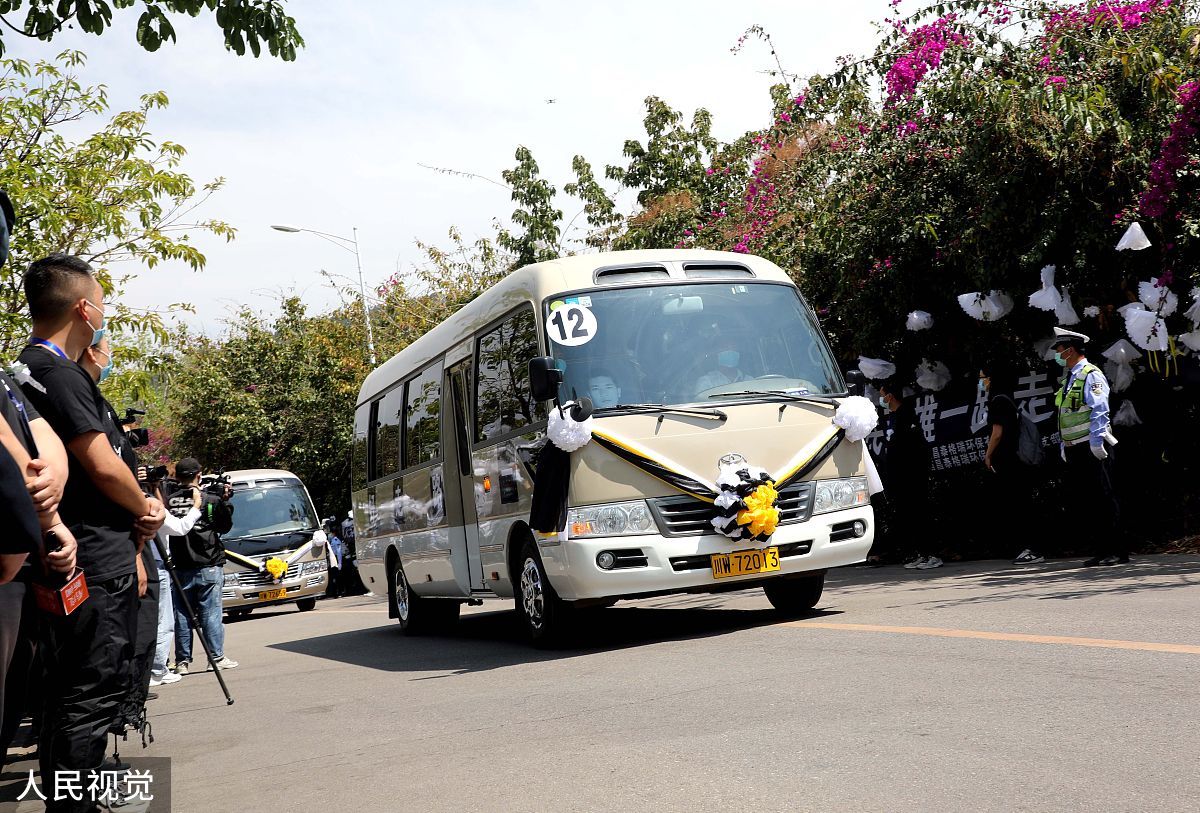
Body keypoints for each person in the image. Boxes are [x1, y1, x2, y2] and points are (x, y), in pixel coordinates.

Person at [16, 253, 165, 810]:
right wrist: (145, 507)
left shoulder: (31, 370)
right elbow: (101, 462)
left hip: (85, 556)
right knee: (90, 688)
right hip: (91, 563)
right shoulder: (57, 373)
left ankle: (76, 795)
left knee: (71, 691)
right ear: (84, 307)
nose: (104, 314)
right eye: (102, 303)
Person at [1051, 327, 1126, 566]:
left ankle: (1117, 551)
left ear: (1070, 350)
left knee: (1106, 498)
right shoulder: (1070, 377)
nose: (1057, 354)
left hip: (1092, 447)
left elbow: (1100, 409)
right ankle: (1103, 550)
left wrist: (1096, 440)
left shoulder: (1090, 374)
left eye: (1059, 350)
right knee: (1090, 500)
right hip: (1075, 447)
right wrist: (1065, 443)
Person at [166, 458, 237, 674]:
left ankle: (182, 663)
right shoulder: (209, 499)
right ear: (199, 474)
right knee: (211, 612)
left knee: (182, 615)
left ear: (177, 477)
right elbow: (225, 526)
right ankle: (216, 657)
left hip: (179, 566)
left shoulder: (167, 501)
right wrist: (225, 501)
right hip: (208, 564)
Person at [979, 360, 1043, 564]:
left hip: (1010, 461)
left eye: (983, 378)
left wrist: (988, 455)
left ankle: (1030, 549)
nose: (981, 382)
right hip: (1017, 461)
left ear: (991, 378)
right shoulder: (1008, 399)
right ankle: (1027, 547)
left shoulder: (998, 401)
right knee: (1020, 504)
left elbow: (997, 433)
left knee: (1018, 506)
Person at [146, 468, 202, 687]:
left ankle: (154, 668)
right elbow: (180, 527)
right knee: (164, 621)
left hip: (143, 564)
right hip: (158, 564)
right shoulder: (149, 504)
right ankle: (158, 669)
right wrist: (196, 506)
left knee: (153, 620)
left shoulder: (130, 500)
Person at [877, 379, 939, 569]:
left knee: (920, 514)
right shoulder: (894, 417)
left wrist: (913, 473)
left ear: (889, 396)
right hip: (901, 479)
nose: (880, 400)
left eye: (881, 396)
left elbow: (915, 449)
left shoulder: (906, 415)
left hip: (913, 477)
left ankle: (932, 555)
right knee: (909, 516)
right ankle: (919, 553)